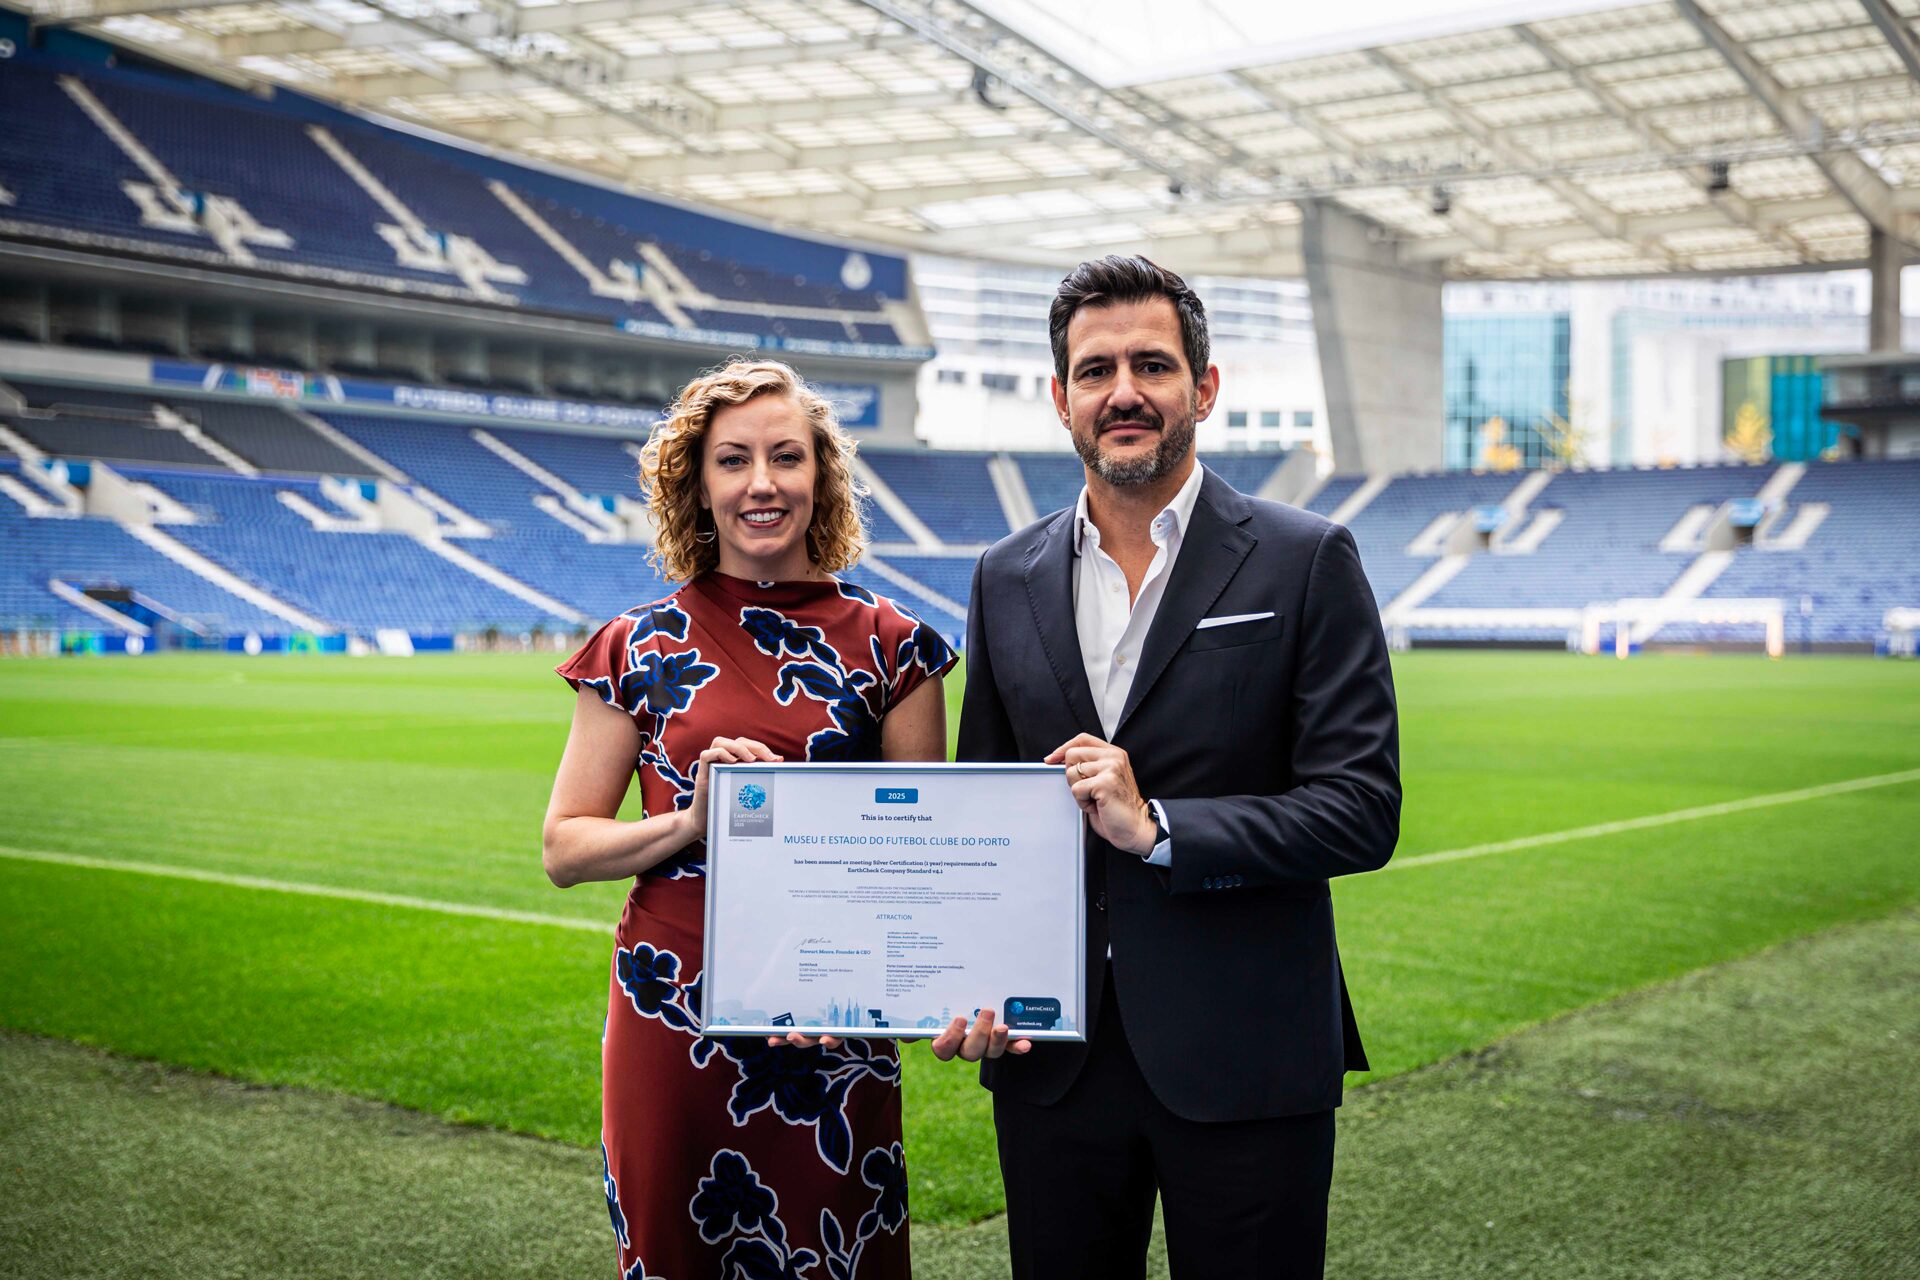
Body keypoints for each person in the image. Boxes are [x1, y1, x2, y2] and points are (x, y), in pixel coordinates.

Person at [947, 256, 1401, 1279]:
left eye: (1152, 363)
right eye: (1095, 368)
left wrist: (1162, 827)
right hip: (1051, 1061)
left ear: (1204, 386)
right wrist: (966, 973)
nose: (1124, 390)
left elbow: (1363, 808)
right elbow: (983, 807)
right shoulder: (1003, 573)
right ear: (1061, 397)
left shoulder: (1307, 556)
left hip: (1246, 1055)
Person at [543, 358, 955, 1280]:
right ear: (699, 486)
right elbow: (565, 847)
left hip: (833, 1023)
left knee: (838, 1254)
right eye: (733, 461)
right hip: (673, 1018)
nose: (762, 484)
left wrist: (862, 979)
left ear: (823, 477)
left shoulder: (896, 647)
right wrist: (692, 821)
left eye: (786, 457)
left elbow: (923, 860)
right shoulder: (635, 644)